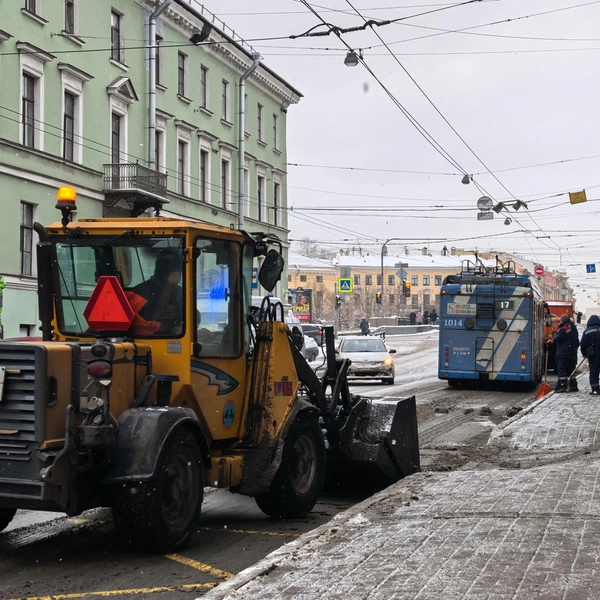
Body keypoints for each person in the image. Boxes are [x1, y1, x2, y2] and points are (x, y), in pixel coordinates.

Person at [126, 254, 183, 336]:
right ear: (172, 274)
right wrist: (155, 314)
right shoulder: (140, 292)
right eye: (180, 273)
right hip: (147, 339)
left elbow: (192, 314)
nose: (181, 276)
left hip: (176, 337)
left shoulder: (179, 292)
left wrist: (177, 314)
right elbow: (136, 324)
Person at [552, 313, 579, 392]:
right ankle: (573, 386)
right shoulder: (573, 328)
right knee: (571, 369)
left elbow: (558, 338)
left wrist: (555, 334)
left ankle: (562, 387)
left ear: (562, 320)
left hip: (564, 353)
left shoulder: (565, 328)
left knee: (562, 370)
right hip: (572, 352)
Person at [580, 315, 600, 395]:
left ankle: (595, 389)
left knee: (594, 372)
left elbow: (583, 344)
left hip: (593, 355)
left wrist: (584, 354)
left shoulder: (587, 331)